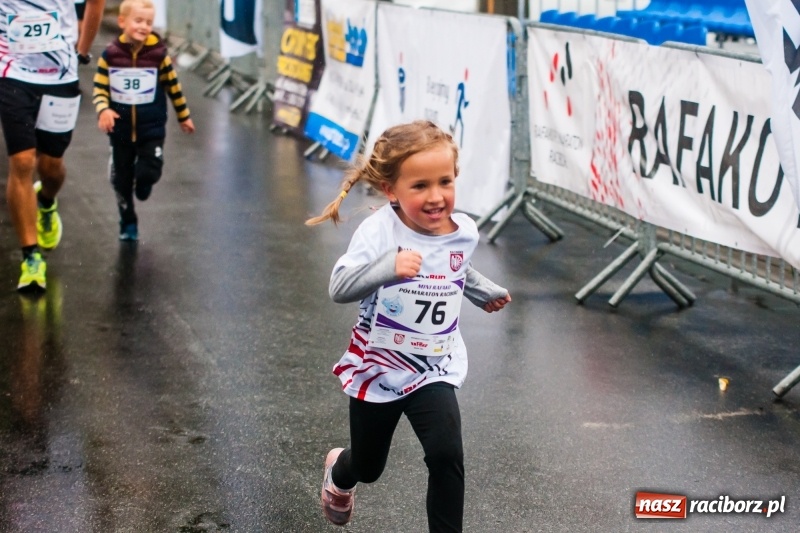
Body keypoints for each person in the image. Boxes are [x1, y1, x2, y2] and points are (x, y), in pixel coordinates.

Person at [306, 120, 511, 532]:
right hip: (380, 366)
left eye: (445, 182)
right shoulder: (379, 232)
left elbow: (456, 269)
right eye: (419, 186)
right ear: (391, 190)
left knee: (446, 454)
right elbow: (339, 286)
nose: (436, 197)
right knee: (369, 465)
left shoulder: (462, 231)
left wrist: (483, 291)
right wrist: (388, 267)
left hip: (434, 365)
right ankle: (340, 473)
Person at [0, 0, 105, 292]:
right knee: (22, 162)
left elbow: (97, 2)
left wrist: (82, 52)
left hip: (61, 75)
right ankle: (31, 256)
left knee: (51, 166)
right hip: (12, 74)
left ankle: (46, 201)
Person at [93, 0, 195, 241]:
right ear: (122, 22)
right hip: (120, 129)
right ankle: (128, 222)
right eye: (138, 21)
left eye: (148, 22)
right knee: (122, 180)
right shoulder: (110, 55)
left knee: (150, 170)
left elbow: (174, 88)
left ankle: (145, 181)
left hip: (152, 128)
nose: (144, 26)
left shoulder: (159, 55)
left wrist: (184, 116)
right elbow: (99, 88)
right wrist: (103, 110)